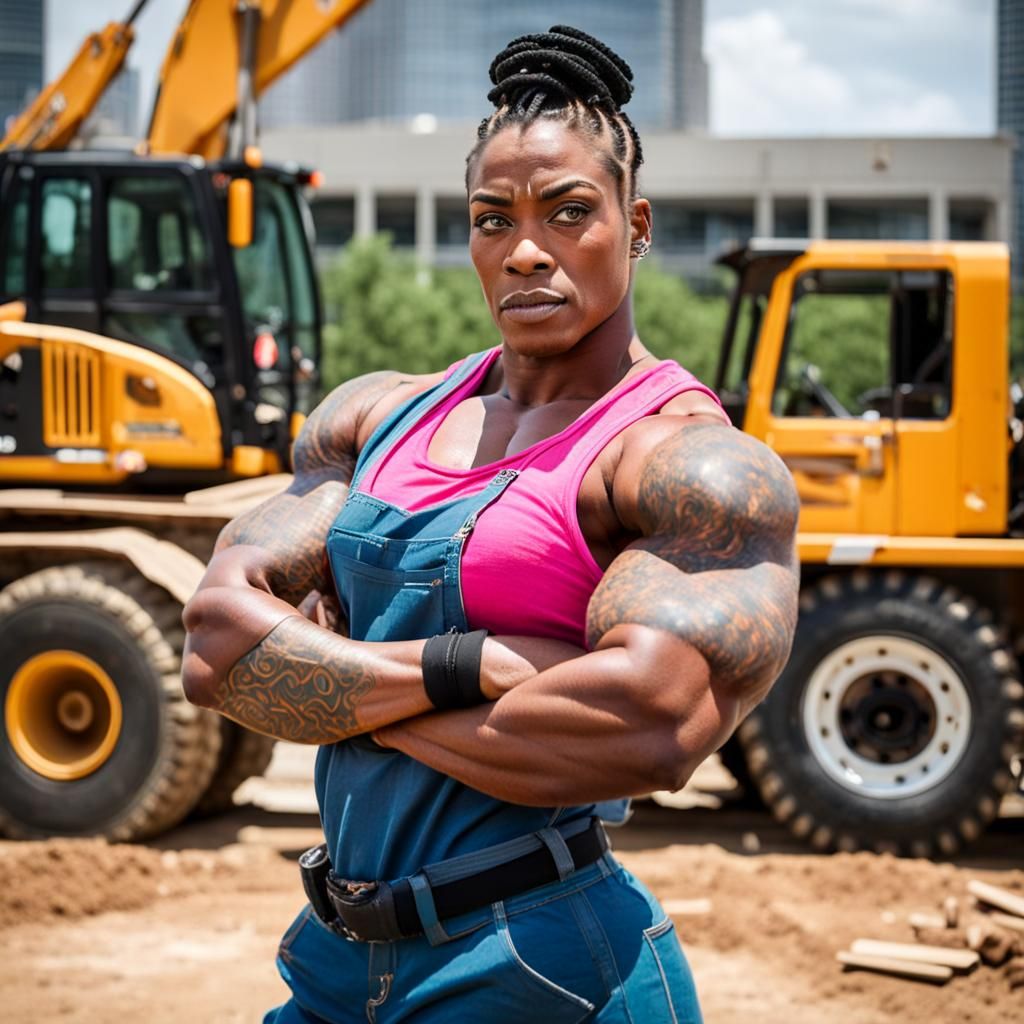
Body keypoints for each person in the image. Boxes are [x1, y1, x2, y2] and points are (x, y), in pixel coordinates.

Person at [182, 24, 799, 1024]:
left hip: (543, 961)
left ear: (634, 225)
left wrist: (331, 686)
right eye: (490, 217)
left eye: (567, 214)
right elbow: (216, 647)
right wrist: (463, 665)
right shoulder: (374, 414)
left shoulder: (685, 460)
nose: (524, 251)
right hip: (339, 961)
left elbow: (650, 726)